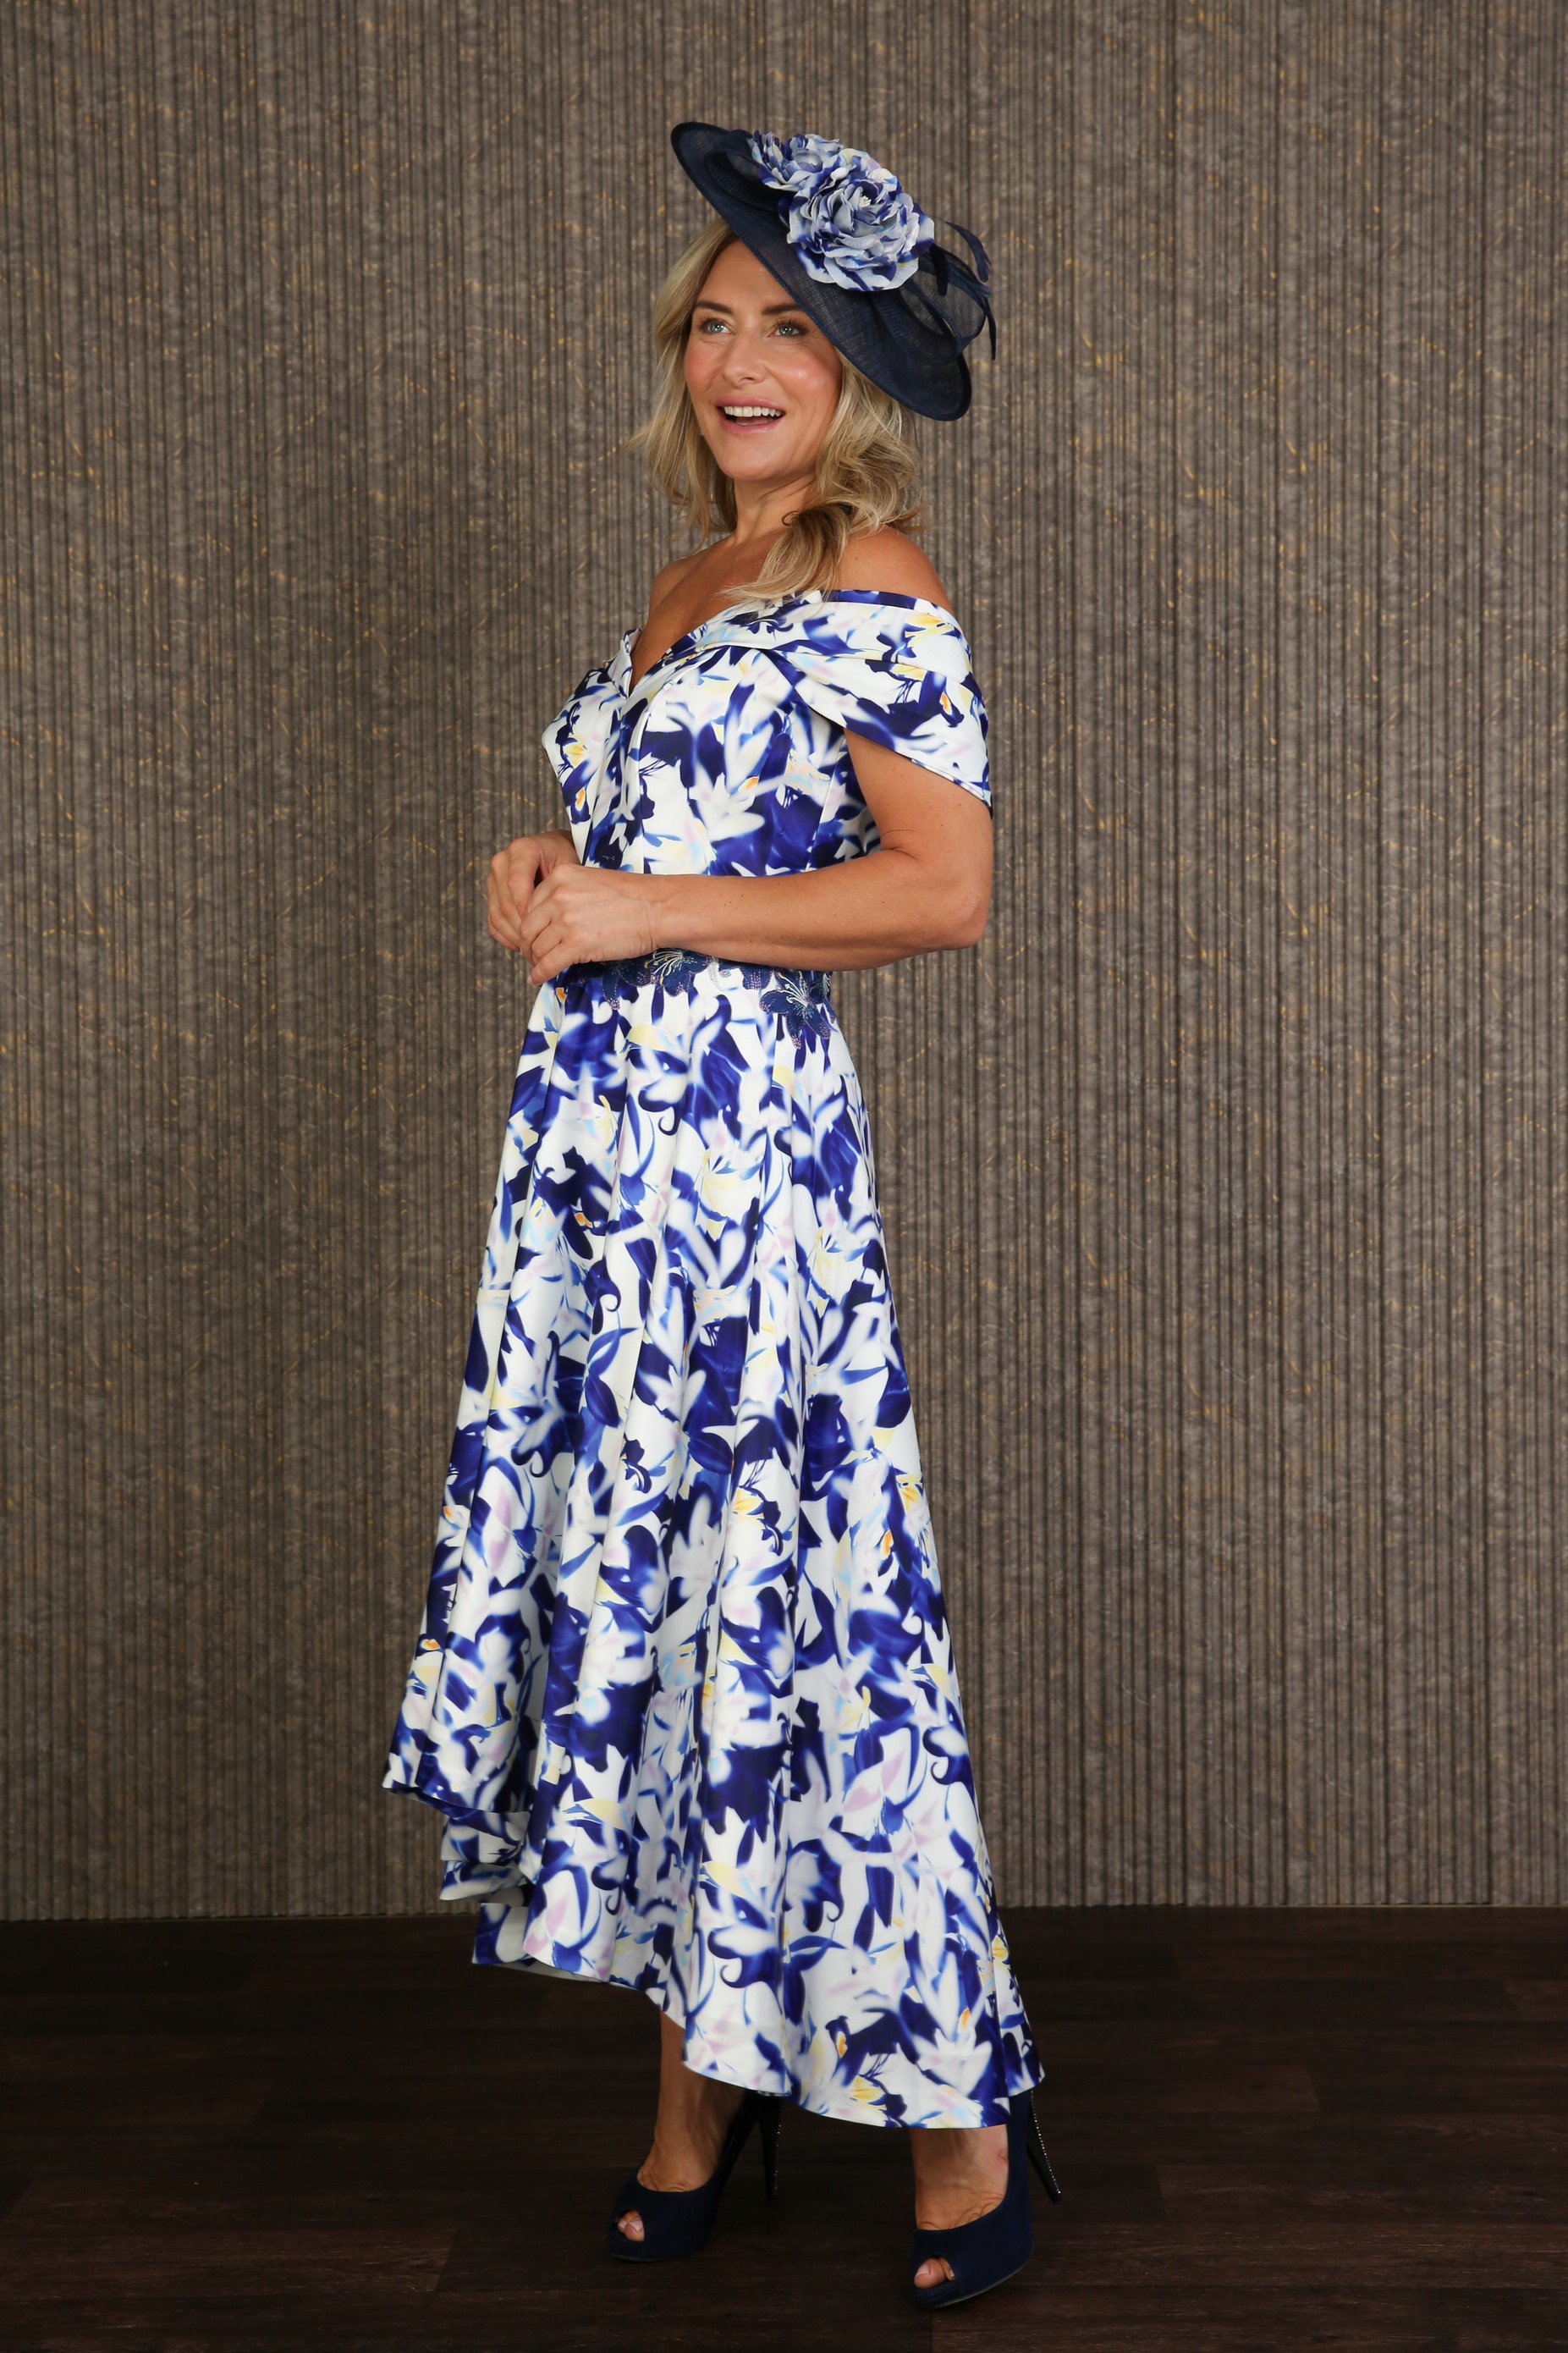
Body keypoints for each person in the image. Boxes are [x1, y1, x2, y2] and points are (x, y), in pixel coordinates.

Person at [382, 121, 1061, 2309]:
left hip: (742, 1174)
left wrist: (646, 908)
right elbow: (655, 844)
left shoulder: (877, 576)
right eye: (714, 320)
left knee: (799, 1603)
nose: (740, 360)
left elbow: (942, 892)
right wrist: (545, 876)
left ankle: (961, 2114)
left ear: (853, 372)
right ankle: (704, 2085)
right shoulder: (687, 584)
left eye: (789, 327)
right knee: (671, 1607)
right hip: (599, 1166)